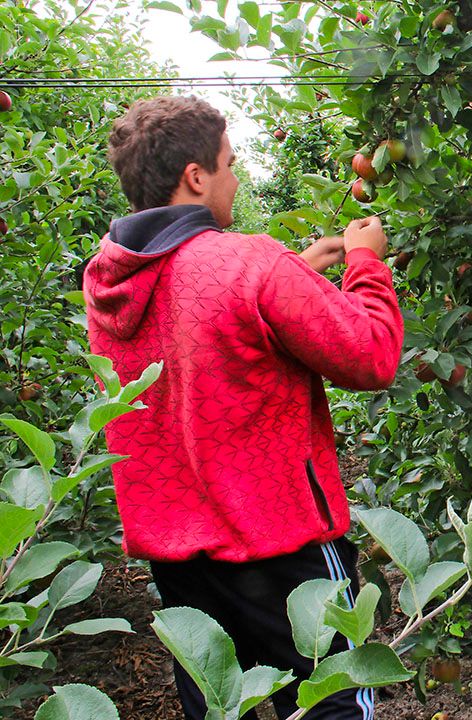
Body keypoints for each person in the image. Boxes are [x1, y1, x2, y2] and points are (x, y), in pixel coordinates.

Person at [82, 95, 403, 719]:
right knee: (329, 699)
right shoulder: (250, 261)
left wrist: (296, 275)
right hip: (278, 542)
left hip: (179, 554)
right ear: (195, 177)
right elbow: (370, 357)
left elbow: (198, 333)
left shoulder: (109, 280)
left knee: (222, 704)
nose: (236, 176)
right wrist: (365, 264)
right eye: (229, 163)